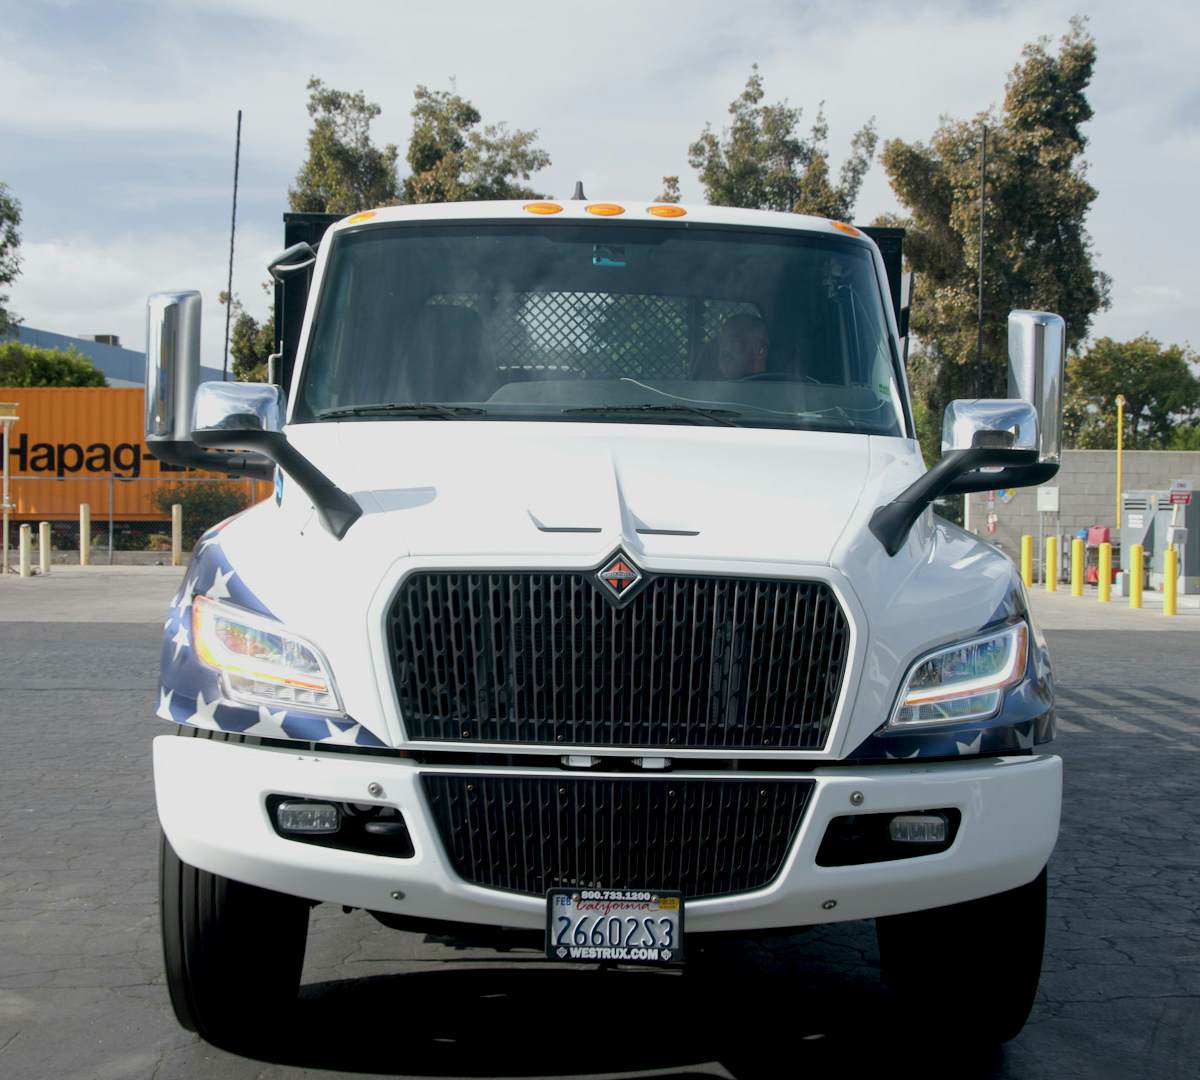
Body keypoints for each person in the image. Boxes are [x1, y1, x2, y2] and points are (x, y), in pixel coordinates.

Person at [715, 314, 769, 379]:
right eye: (739, 344)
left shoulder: (779, 384)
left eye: (761, 349)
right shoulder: (704, 384)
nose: (753, 359)